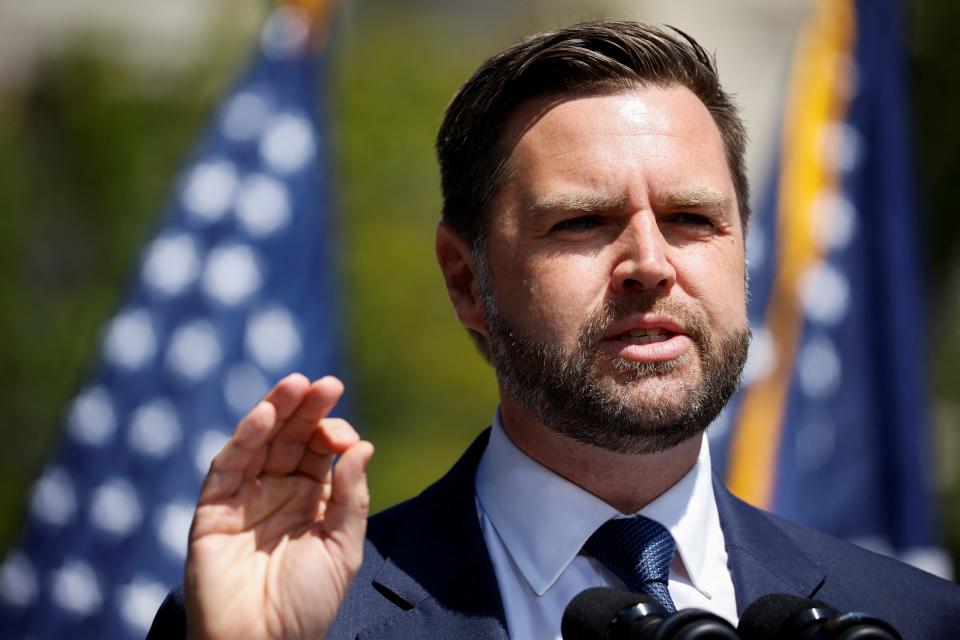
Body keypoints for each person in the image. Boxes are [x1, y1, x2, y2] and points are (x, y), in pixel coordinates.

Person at [148, 21, 960, 639]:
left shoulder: (913, 619)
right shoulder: (294, 618)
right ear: (466, 279)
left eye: (691, 218)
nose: (649, 263)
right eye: (580, 223)